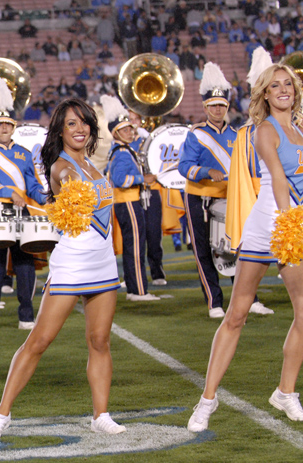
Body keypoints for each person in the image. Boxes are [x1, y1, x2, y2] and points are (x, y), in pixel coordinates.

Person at [0, 98, 125, 443]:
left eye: (84, 123)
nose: (80, 129)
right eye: (71, 124)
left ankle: (101, 415)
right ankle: (2, 414)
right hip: (73, 263)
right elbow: (65, 181)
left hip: (103, 262)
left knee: (100, 341)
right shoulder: (62, 168)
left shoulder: (91, 164)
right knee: (39, 341)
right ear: (60, 130)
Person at [187, 62, 303, 432]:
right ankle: (207, 399)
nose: (283, 89)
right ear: (265, 94)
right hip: (271, 222)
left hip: (295, 223)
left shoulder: (300, 129)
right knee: (237, 314)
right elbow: (279, 180)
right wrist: (289, 224)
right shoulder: (265, 131)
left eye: (289, 84)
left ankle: (285, 392)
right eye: (276, 85)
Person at [0, 78, 46, 332]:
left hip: (22, 210)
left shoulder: (25, 154)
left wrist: (46, 196)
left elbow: (33, 185)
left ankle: (26, 315)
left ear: (13, 126)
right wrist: (10, 192)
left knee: (25, 261)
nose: (4, 128)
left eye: (8, 124)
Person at [178, 62, 236, 319]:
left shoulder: (237, 134)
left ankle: (247, 299)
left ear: (227, 107)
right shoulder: (196, 134)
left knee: (235, 249)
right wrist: (205, 172)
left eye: (221, 105)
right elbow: (184, 167)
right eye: (213, 105)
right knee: (203, 251)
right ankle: (214, 302)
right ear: (205, 107)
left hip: (230, 198)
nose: (217, 109)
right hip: (199, 197)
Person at [102, 95, 160, 301]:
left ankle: (134, 289)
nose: (131, 132)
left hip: (126, 202)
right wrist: (142, 178)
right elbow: (119, 179)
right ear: (117, 132)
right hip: (128, 202)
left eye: (130, 128)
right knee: (135, 246)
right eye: (126, 129)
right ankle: (139, 291)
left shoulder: (122, 151)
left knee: (132, 245)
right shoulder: (122, 152)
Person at [126, 109, 167, 286]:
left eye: (135, 119)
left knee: (153, 233)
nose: (132, 122)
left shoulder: (148, 140)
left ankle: (157, 270)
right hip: (133, 192)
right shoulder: (125, 142)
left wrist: (146, 139)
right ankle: (135, 274)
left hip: (151, 190)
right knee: (135, 237)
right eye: (129, 120)